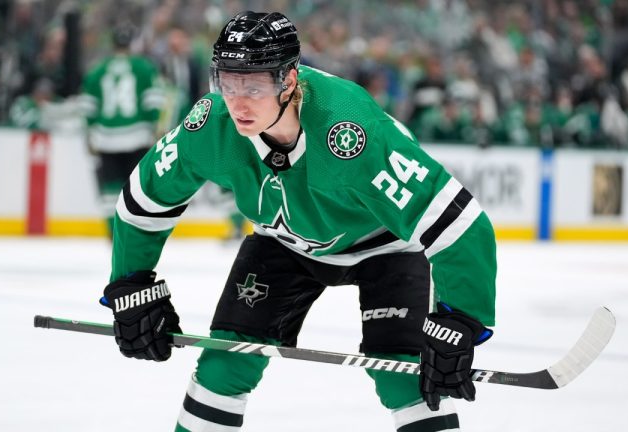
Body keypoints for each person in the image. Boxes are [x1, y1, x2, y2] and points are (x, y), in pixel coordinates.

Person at [101, 11, 496, 432]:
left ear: (288, 81)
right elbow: (144, 197)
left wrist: (459, 320)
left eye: (254, 84)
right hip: (284, 242)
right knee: (223, 365)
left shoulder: (350, 132)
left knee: (401, 378)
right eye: (228, 81)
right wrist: (132, 282)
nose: (237, 100)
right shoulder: (211, 125)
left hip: (386, 245)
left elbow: (460, 224)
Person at [78, 22, 165, 235]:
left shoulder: (97, 70)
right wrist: (155, 127)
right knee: (136, 188)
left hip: (105, 138)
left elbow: (87, 108)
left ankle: (112, 232)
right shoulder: (144, 67)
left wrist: (90, 134)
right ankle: (134, 232)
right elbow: (153, 102)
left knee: (109, 189)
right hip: (137, 136)